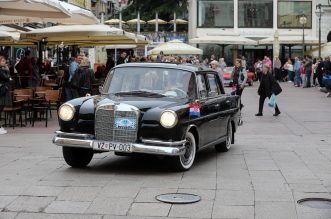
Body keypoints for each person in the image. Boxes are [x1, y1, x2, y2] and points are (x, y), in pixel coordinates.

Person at [0, 56, 12, 134]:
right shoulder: (1, 70)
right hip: (1, 90)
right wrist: (7, 71)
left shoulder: (2, 70)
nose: (4, 62)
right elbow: (7, 78)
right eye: (3, 61)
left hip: (3, 90)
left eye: (4, 61)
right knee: (0, 107)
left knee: (1, 108)